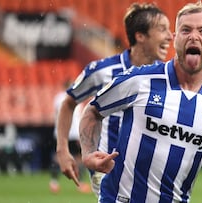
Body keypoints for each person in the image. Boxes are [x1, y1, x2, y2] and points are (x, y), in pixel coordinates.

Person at [79, 2, 202, 202]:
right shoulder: (139, 79)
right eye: (186, 30)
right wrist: (88, 152)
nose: (194, 36)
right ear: (175, 38)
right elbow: (93, 111)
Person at [55, 2, 173, 197]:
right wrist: (62, 150)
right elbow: (69, 102)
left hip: (149, 175)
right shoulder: (103, 71)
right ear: (140, 36)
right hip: (108, 170)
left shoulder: (167, 76)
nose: (170, 36)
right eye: (162, 29)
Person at [49, 80, 91, 194]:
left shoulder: (58, 98)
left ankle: (54, 182)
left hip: (60, 132)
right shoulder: (77, 98)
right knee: (79, 158)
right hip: (74, 133)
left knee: (58, 156)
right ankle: (80, 183)